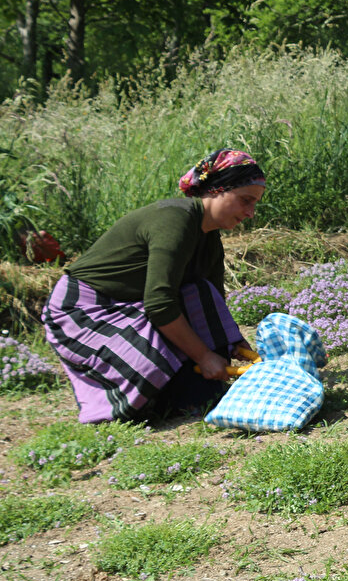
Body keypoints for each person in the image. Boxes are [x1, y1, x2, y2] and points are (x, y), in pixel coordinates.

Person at [42, 149, 265, 423]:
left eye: (254, 204)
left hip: (128, 304)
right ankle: (163, 396)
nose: (251, 213)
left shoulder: (209, 239)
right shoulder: (176, 220)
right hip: (82, 311)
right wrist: (205, 356)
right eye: (246, 201)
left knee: (200, 293)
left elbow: (212, 302)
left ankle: (192, 398)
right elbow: (160, 304)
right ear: (217, 189)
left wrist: (234, 343)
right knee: (147, 377)